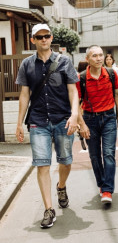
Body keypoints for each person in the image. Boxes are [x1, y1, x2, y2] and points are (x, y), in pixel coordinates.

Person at [15, 23, 79, 228]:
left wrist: (75, 115)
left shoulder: (64, 62)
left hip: (62, 119)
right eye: (39, 36)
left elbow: (73, 91)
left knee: (66, 161)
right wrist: (18, 123)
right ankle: (49, 209)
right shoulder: (27, 64)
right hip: (38, 121)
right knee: (42, 164)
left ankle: (61, 186)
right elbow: (24, 94)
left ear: (51, 38)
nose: (43, 39)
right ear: (32, 40)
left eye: (47, 36)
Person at [77, 46, 118, 204]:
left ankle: (107, 190)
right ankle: (102, 184)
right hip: (90, 119)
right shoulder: (82, 78)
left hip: (109, 117)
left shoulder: (111, 74)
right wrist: (82, 124)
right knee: (95, 156)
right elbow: (76, 103)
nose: (98, 58)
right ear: (88, 59)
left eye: (100, 55)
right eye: (94, 56)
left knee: (109, 154)